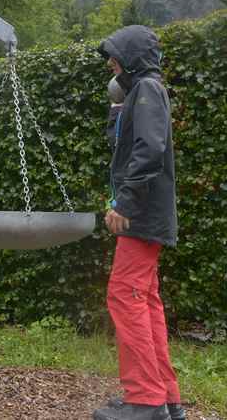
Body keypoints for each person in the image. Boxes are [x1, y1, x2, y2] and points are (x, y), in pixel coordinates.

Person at [93, 26, 185, 420]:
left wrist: (125, 202)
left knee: (124, 297)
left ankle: (145, 400)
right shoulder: (144, 91)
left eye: (115, 56)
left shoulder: (147, 89)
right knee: (145, 301)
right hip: (150, 215)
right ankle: (165, 397)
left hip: (142, 216)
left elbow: (149, 150)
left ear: (130, 56)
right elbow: (140, 145)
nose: (111, 64)